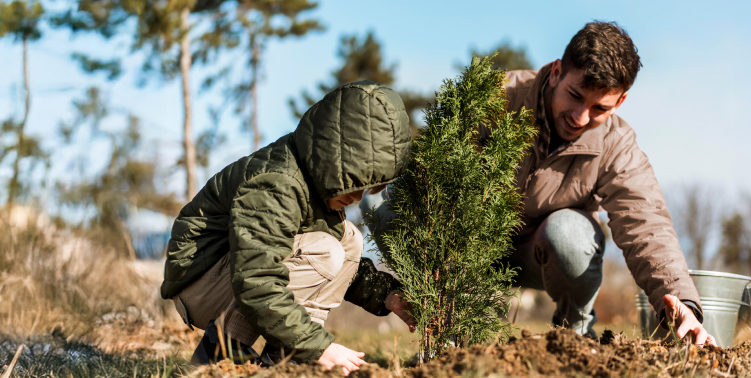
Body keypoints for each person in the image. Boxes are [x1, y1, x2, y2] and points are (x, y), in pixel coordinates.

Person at [365, 21, 716, 346]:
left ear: (620, 101)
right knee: (379, 203)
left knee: (570, 232)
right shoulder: (497, 98)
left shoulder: (616, 144)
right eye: (575, 96)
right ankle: (449, 332)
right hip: (469, 248)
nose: (581, 118)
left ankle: (574, 337)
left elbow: (646, 222)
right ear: (557, 72)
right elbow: (435, 175)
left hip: (542, 254)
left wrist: (681, 299)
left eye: (599, 108)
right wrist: (438, 261)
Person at [160, 81, 417, 376]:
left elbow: (342, 270)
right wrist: (319, 347)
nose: (358, 196)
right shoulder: (276, 183)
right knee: (326, 250)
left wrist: (387, 295)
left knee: (349, 242)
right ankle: (220, 353)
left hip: (233, 277)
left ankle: (285, 362)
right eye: (355, 181)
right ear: (334, 158)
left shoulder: (314, 185)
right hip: (200, 284)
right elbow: (257, 279)